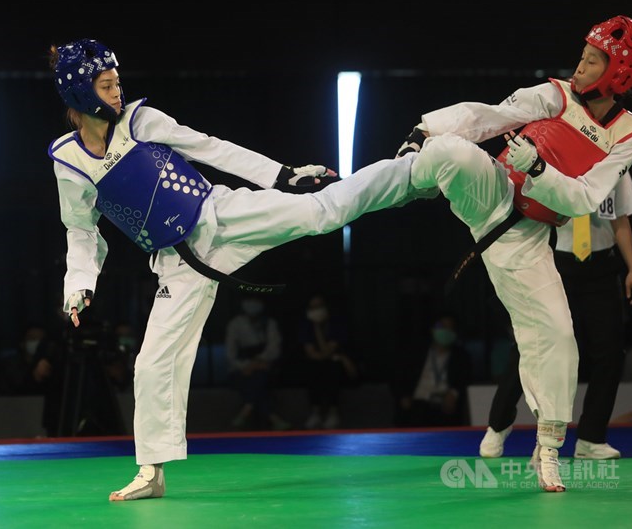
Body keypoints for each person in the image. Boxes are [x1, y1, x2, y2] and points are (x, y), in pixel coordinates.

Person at [47, 38, 437, 501]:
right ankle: (151, 472)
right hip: (179, 264)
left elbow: (212, 149)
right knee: (153, 363)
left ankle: (410, 171)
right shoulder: (68, 161)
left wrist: (281, 175)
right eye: (107, 85)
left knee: (319, 213)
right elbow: (81, 230)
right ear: (78, 93)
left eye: (117, 83)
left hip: (222, 215)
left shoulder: (141, 120)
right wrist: (79, 284)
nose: (116, 92)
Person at [397, 15, 632, 491]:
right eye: (582, 55)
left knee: (557, 334)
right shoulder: (552, 94)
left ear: (619, 73)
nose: (579, 66)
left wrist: (537, 167)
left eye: (592, 60)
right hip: (491, 192)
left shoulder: (628, 136)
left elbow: (581, 199)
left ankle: (548, 451)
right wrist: (424, 130)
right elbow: (487, 116)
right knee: (450, 149)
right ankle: (393, 172)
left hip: (528, 236)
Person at [480, 176, 632, 460]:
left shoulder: (617, 161)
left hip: (602, 267)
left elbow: (620, 217)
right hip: (555, 263)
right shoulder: (554, 155)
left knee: (611, 354)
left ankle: (591, 439)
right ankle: (498, 425)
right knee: (533, 346)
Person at [225, 295, 289, 430]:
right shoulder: (235, 324)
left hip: (264, 366)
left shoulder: (269, 323)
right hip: (240, 369)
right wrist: (245, 366)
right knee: (256, 380)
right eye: (250, 300)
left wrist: (257, 362)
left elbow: (274, 349)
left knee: (260, 376)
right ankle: (272, 416)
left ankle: (247, 409)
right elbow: (230, 353)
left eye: (256, 300)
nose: (253, 304)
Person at [393, 315, 471, 427]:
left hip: (443, 406)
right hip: (417, 405)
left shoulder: (461, 357)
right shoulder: (414, 353)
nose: (446, 331)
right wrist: (403, 395)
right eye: (442, 326)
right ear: (432, 329)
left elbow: (465, 380)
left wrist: (454, 393)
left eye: (450, 328)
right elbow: (398, 378)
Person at [298, 293, 357, 430]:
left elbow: (327, 350)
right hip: (317, 363)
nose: (316, 310)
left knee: (331, 368)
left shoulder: (336, 324)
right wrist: (315, 327)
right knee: (314, 368)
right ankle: (315, 412)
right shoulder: (306, 326)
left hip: (334, 364)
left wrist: (318, 329)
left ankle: (333, 412)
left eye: (319, 306)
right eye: (313, 307)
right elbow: (311, 352)